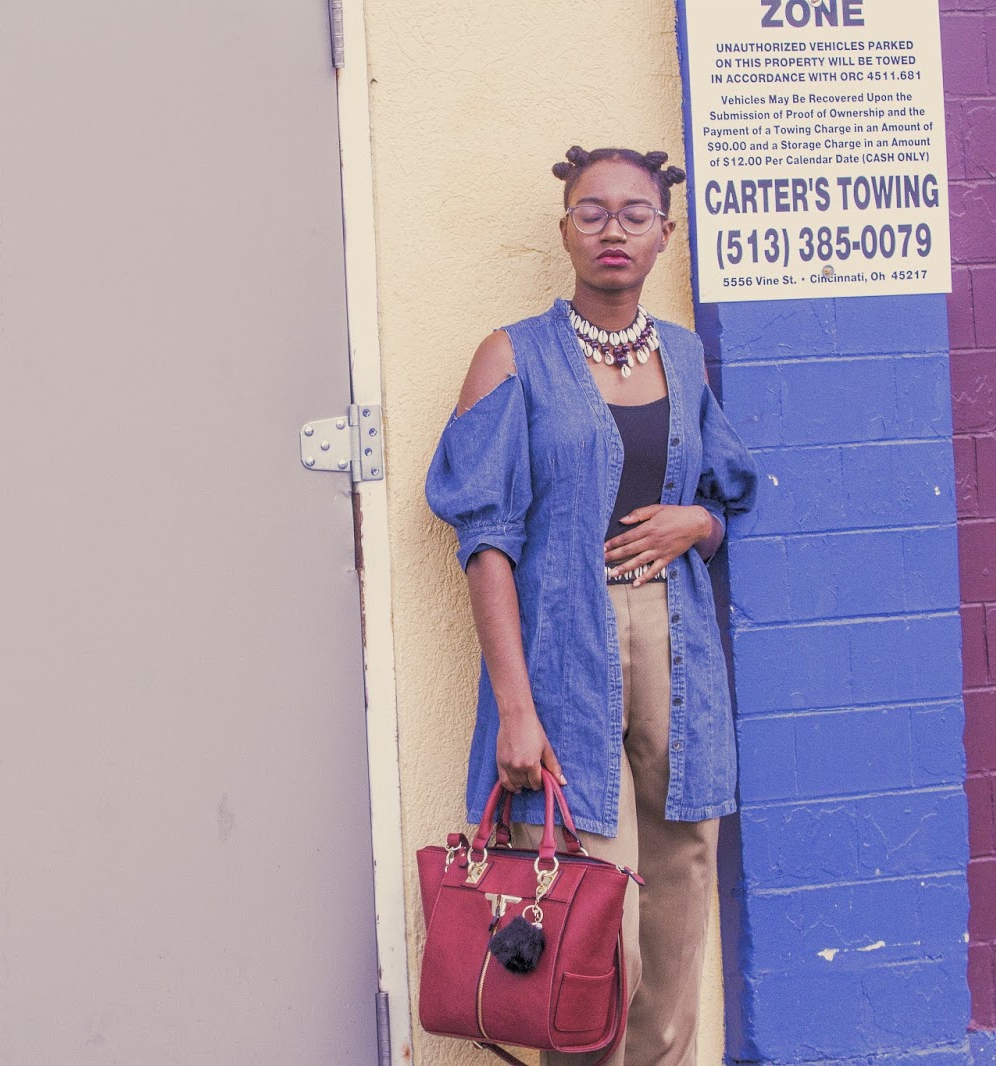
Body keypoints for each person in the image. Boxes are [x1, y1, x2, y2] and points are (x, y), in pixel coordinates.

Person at [425, 145, 758, 1065]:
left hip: (677, 646)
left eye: (635, 214)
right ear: (565, 228)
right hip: (565, 652)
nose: (614, 229)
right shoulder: (512, 356)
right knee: (586, 911)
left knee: (681, 885)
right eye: (593, 212)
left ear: (665, 233)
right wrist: (516, 708)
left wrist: (699, 523)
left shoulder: (682, 355)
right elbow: (486, 538)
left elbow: (725, 496)